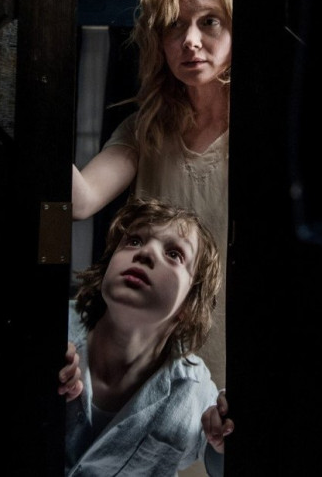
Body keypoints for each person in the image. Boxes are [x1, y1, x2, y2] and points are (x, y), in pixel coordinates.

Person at [72, 0, 233, 394]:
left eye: (209, 21)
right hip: (157, 360)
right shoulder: (145, 129)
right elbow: (81, 200)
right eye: (174, 25)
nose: (190, 40)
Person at [58, 198, 234, 476]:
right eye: (134, 241)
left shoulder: (193, 390)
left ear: (189, 305)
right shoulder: (54, 326)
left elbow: (220, 464)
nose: (146, 252)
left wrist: (223, 437)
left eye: (174, 254)